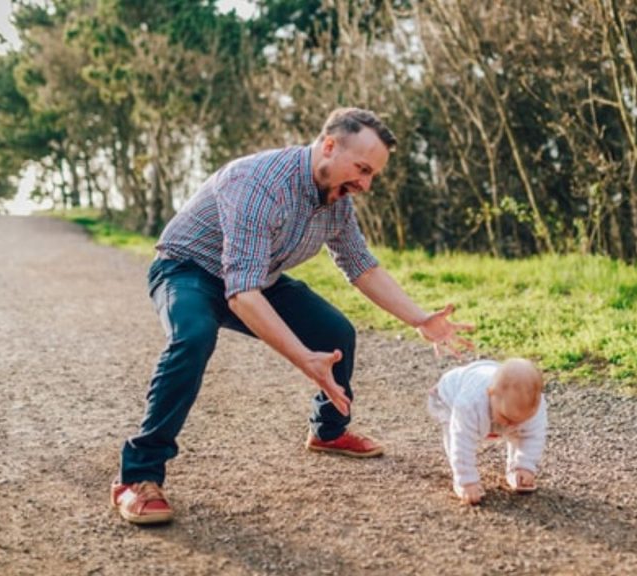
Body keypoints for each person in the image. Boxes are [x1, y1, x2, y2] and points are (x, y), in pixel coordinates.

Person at [110, 107, 475, 525]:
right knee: (193, 337)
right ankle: (136, 476)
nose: (365, 183)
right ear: (330, 145)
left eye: (372, 174)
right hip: (187, 269)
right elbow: (241, 295)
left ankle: (328, 431)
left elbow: (361, 266)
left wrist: (420, 319)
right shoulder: (257, 184)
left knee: (335, 332)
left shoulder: (336, 199)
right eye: (361, 169)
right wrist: (304, 359)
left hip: (256, 276)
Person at [427, 358, 547, 505]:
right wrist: (467, 481)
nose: (511, 425)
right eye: (506, 418)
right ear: (491, 394)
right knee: (455, 432)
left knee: (520, 432)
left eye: (520, 420)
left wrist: (525, 466)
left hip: (484, 381)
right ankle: (461, 481)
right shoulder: (470, 403)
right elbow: (462, 440)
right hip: (447, 397)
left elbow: (532, 437)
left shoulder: (533, 408)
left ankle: (516, 470)